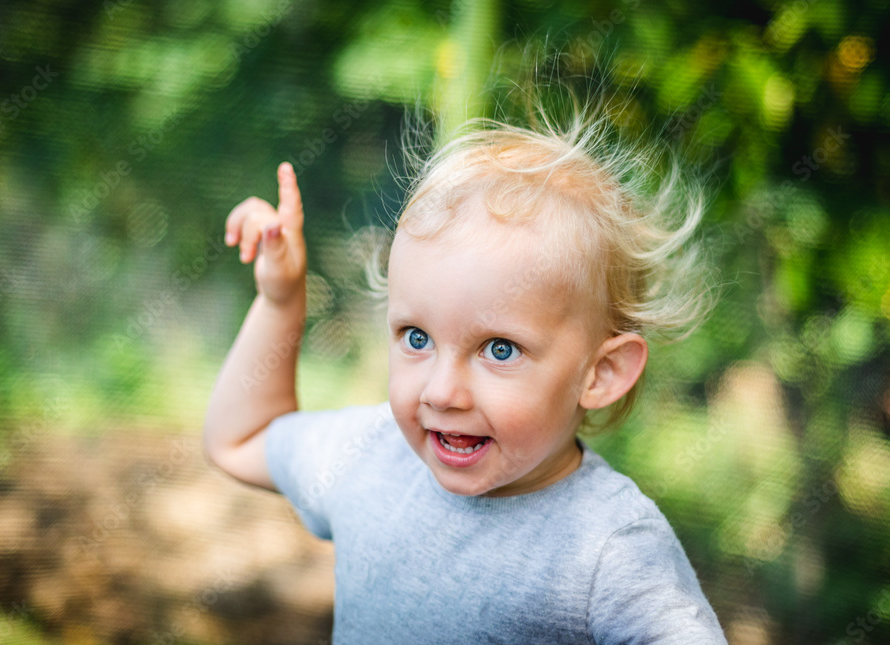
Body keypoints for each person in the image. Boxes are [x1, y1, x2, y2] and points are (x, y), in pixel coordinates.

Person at [203, 90, 728, 642]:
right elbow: (239, 439)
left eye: (499, 349)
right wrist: (282, 302)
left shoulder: (609, 548)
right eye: (417, 337)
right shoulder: (368, 459)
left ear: (601, 374)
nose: (442, 391)